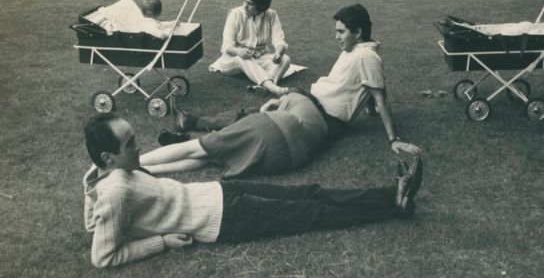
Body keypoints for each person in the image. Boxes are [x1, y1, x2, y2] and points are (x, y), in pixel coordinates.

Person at [82, 113, 424, 268]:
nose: (138, 148)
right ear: (109, 157)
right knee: (312, 213)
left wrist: (93, 191)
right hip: (222, 220)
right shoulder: (115, 192)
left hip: (216, 192)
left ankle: (390, 192)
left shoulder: (102, 178)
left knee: (310, 192)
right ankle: (395, 205)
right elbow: (103, 257)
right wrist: (162, 242)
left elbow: (93, 223)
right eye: (130, 145)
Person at [309, 4, 422, 155]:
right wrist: (370, 109)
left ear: (358, 33)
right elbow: (367, 82)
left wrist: (393, 139)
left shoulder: (367, 56)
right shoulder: (352, 49)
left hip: (328, 118)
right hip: (314, 103)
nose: (336, 37)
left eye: (341, 32)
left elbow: (380, 98)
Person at [145, 90, 328, 178]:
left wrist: (266, 107)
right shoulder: (321, 125)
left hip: (271, 130)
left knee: (196, 147)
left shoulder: (295, 98)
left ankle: (136, 162)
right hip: (286, 160)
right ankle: (149, 170)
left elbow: (269, 109)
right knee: (212, 156)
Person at [209, 0, 292, 96]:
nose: (245, 6)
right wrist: (239, 51)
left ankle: (266, 86)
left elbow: (279, 40)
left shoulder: (271, 15)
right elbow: (227, 46)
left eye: (250, 3)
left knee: (285, 59)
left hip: (258, 57)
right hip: (231, 61)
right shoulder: (235, 14)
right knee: (243, 57)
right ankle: (275, 89)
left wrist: (278, 53)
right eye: (244, 1)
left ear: (261, 5)